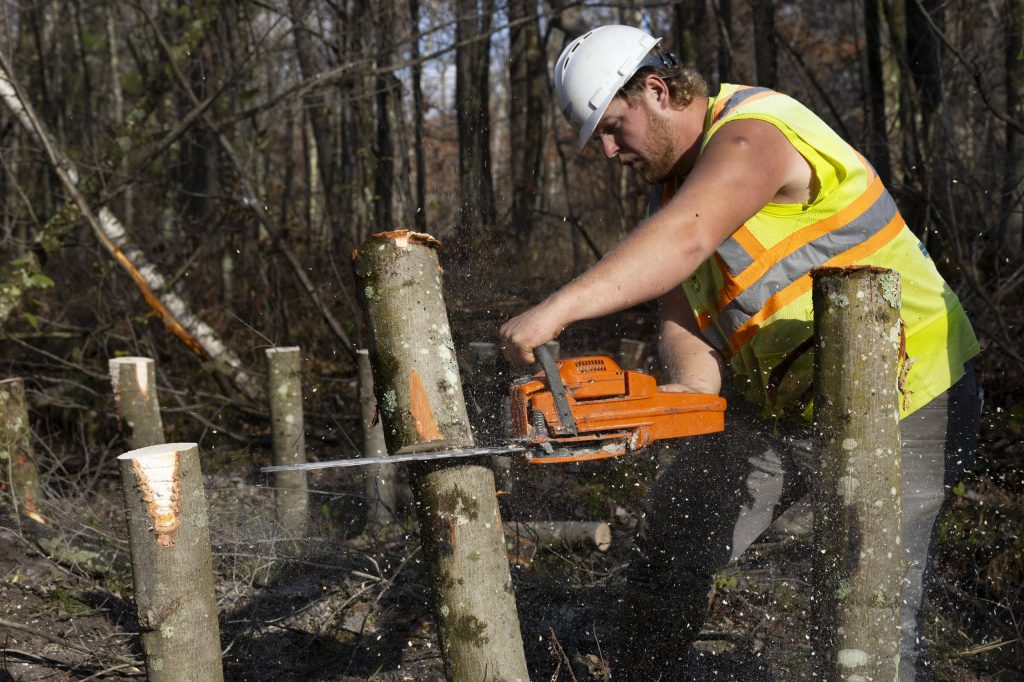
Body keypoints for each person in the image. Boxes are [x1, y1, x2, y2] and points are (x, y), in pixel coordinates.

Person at [499, 24, 982, 681]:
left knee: (864, 611)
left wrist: (557, 308)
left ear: (658, 92)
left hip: (909, 392)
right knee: (674, 535)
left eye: (614, 129)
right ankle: (646, 670)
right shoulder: (671, 191)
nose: (610, 151)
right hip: (792, 404)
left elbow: (685, 244)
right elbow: (684, 324)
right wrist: (665, 404)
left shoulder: (755, 133)